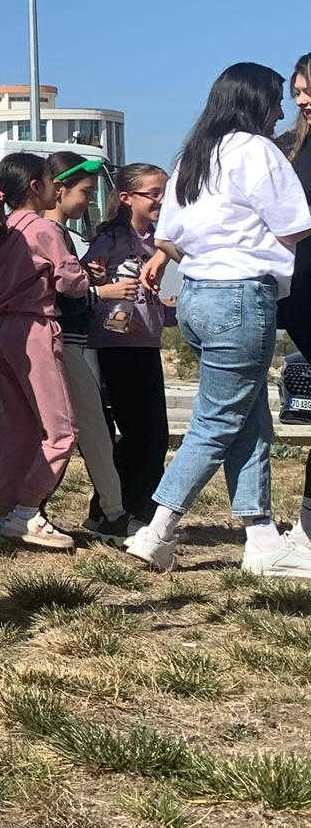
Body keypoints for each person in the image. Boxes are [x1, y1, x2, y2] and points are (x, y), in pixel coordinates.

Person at [128, 63, 311, 578]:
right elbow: (295, 225)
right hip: (241, 297)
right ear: (254, 102)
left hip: (197, 296)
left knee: (251, 418)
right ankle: (157, 527)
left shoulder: (192, 155)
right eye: (277, 99)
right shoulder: (259, 152)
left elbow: (171, 236)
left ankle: (260, 538)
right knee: (217, 422)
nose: (282, 110)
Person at [0, 153, 85, 551]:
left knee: (16, 430)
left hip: (0, 330)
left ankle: (1, 516)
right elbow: (71, 282)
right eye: (52, 182)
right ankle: (26, 511)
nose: (58, 188)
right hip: (36, 327)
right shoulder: (43, 230)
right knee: (61, 431)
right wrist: (88, 277)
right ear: (36, 187)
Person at [37, 151, 131, 538]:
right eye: (85, 192)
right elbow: (57, 290)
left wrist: (88, 280)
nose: (90, 200)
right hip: (66, 342)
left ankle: (28, 507)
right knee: (91, 429)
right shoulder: (50, 232)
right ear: (59, 190)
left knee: (77, 430)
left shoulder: (53, 233)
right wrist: (102, 289)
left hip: (65, 341)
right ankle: (112, 512)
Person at [83, 162, 173, 532]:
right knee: (140, 432)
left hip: (146, 341)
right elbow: (87, 279)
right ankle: (119, 510)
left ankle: (125, 508)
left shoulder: (157, 238)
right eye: (153, 193)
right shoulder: (111, 239)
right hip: (117, 346)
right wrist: (99, 280)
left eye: (164, 192)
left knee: (154, 433)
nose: (161, 200)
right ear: (126, 198)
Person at [275, 51, 311, 549]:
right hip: (301, 294)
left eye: (307, 90)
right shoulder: (289, 148)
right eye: (297, 92)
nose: (302, 100)